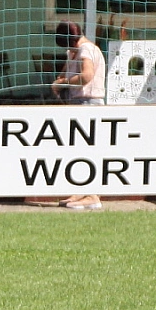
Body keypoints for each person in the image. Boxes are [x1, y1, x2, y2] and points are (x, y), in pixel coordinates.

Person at [51, 20, 105, 209]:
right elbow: (65, 74)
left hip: (88, 102)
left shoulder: (86, 50)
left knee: (88, 150)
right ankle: (79, 191)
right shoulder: (74, 52)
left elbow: (86, 76)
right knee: (77, 150)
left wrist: (63, 83)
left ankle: (93, 195)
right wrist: (59, 81)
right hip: (77, 102)